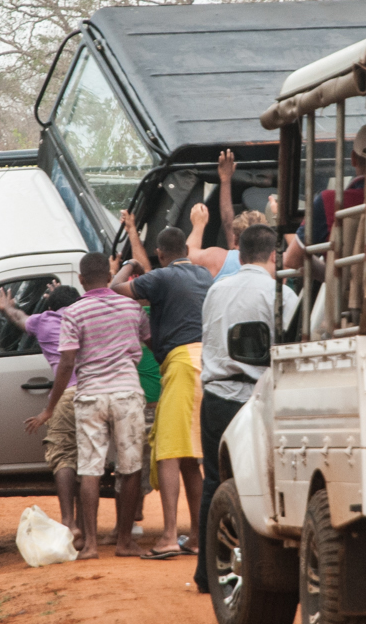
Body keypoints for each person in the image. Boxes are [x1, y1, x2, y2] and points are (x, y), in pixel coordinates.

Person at [27, 253, 149, 559]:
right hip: (126, 392)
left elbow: (67, 363)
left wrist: (49, 408)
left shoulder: (75, 312)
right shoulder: (131, 306)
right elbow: (148, 340)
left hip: (90, 394)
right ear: (109, 276)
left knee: (90, 469)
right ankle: (124, 541)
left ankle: (91, 545)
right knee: (130, 467)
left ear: (81, 280)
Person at [114, 221, 211, 559]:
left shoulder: (161, 277)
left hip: (181, 364)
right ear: (185, 250)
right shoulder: (203, 275)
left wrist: (131, 266)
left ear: (160, 254)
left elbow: (115, 287)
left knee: (169, 450)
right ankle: (197, 536)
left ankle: (170, 536)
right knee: (189, 458)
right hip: (205, 364)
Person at [193, 224, 281, 593]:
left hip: (215, 399)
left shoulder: (216, 290)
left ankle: (206, 572)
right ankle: (258, 571)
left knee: (214, 483)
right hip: (256, 402)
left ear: (239, 255)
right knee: (262, 484)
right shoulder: (278, 294)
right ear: (274, 256)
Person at [0, 281, 83, 530]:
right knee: (89, 459)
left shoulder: (44, 320)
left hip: (66, 395)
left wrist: (5, 307)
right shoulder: (87, 317)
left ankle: (69, 523)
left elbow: (19, 318)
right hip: (95, 391)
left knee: (63, 457)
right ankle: (88, 530)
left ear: (50, 306)